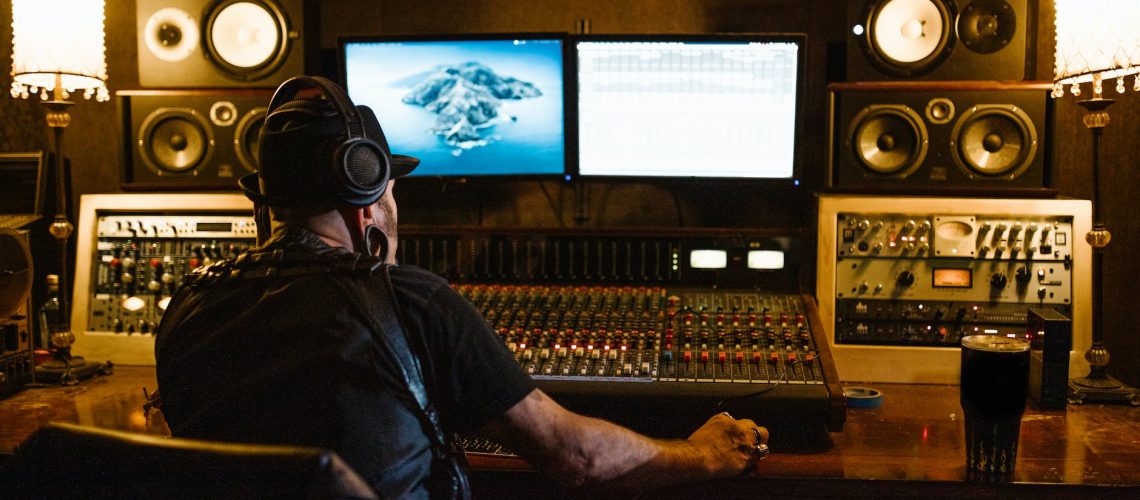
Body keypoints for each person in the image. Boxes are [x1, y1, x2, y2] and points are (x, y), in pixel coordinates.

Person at [154, 75, 769, 498]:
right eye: (391, 187)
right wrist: (701, 454)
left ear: (265, 206)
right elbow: (574, 457)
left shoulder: (187, 306)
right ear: (368, 199)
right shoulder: (412, 302)